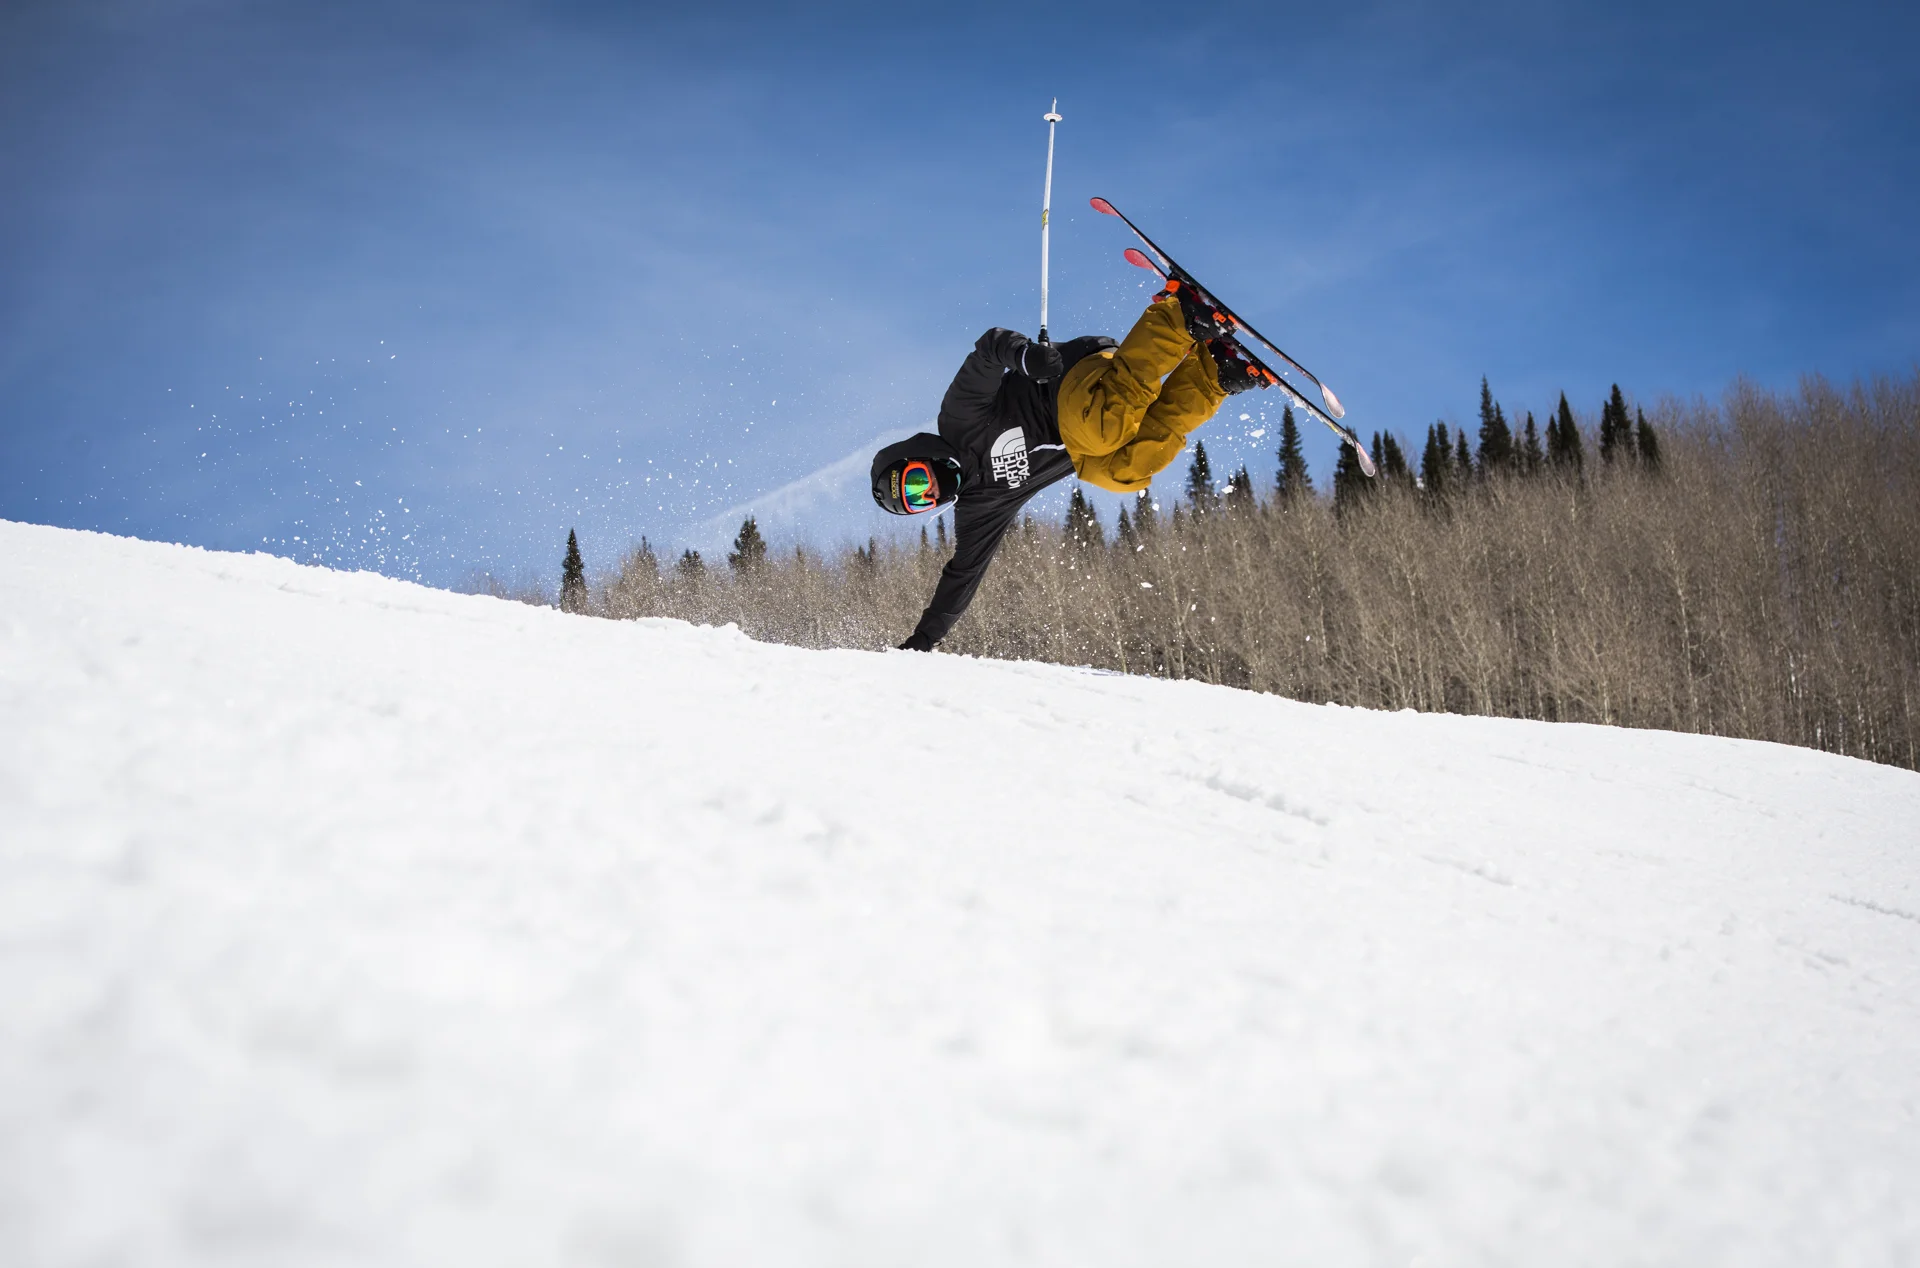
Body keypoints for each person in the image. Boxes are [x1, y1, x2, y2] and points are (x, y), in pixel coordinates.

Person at [872, 284, 1262, 651]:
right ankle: (1214, 370)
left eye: (915, 481)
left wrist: (1025, 357)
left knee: (1099, 432)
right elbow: (963, 574)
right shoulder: (980, 506)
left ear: (918, 455)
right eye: (918, 501)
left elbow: (988, 349)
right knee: (1122, 473)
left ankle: (1177, 317)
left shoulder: (959, 420)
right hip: (1087, 437)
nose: (929, 492)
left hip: (1076, 375)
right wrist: (923, 640)